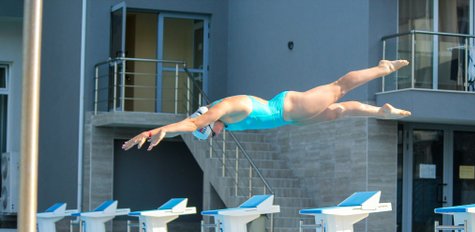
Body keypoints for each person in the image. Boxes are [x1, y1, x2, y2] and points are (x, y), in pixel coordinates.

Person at [122, 60, 411, 151]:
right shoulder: (224, 120)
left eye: (211, 133)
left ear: (209, 122)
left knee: (338, 89)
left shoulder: (223, 109)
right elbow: (195, 125)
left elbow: (193, 123)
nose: (216, 135)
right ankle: (380, 111)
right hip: (289, 119)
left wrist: (155, 131)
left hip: (288, 107)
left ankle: (381, 68)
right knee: (338, 112)